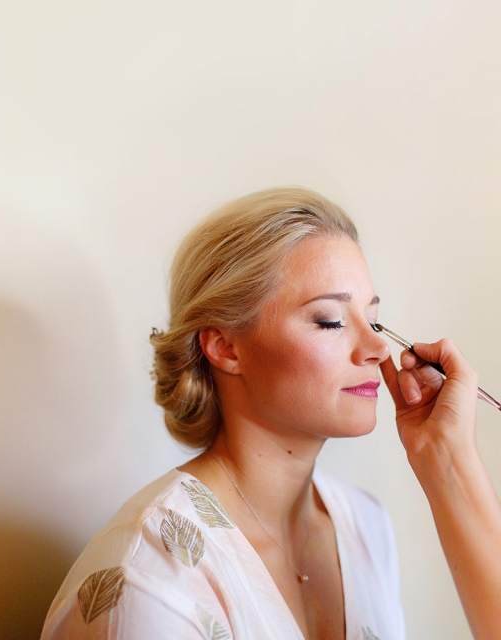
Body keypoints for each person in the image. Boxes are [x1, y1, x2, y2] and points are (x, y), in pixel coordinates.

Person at [39, 187, 501, 640]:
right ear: (226, 347)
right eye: (330, 320)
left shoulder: (365, 524)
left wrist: (447, 456)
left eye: (373, 319)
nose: (378, 348)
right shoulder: (154, 581)